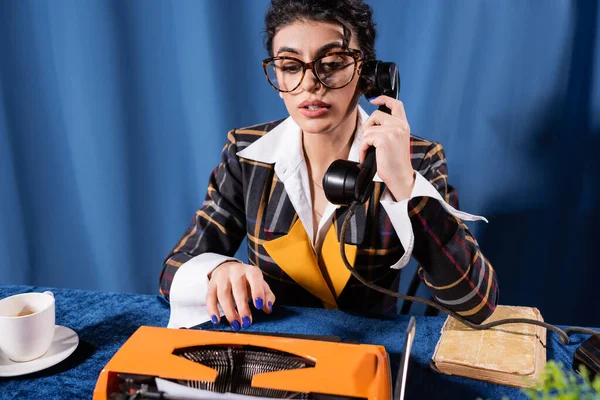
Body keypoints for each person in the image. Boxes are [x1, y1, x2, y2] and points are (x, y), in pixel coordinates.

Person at [159, 0, 498, 330]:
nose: (310, 84)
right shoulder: (246, 155)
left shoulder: (416, 159)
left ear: (367, 75)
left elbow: (476, 305)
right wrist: (216, 270)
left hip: (369, 360)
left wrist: (404, 184)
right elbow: (174, 270)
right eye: (291, 66)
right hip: (273, 359)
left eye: (333, 63)